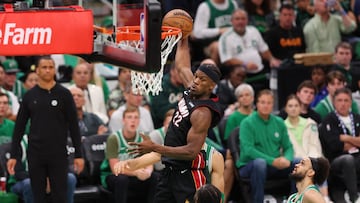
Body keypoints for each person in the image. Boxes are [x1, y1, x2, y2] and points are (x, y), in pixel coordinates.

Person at [127, 37, 223, 203]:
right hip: (170, 171)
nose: (196, 81)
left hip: (189, 174)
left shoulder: (203, 112)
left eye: (202, 80)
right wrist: (183, 38)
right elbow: (182, 66)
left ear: (211, 86)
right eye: (196, 77)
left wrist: (155, 147)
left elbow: (191, 152)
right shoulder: (192, 89)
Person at [7, 56, 84, 203]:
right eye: (44, 67)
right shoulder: (30, 96)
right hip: (36, 154)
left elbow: (74, 126)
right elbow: (19, 128)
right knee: (38, 197)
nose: (48, 70)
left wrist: (79, 155)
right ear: (37, 70)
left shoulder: (64, 94)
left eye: (51, 67)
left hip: (59, 154)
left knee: (60, 196)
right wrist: (13, 155)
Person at [238, 89, 295, 203]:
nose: (266, 106)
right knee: (260, 163)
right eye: (263, 102)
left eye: (269, 103)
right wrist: (272, 161)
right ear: (257, 104)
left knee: (299, 163)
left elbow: (288, 146)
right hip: (249, 165)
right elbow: (248, 150)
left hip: (274, 164)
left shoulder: (279, 122)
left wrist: (287, 159)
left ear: (273, 105)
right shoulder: (247, 123)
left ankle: (294, 199)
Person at [100, 107, 158, 203]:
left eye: (136, 117)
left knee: (155, 177)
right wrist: (135, 172)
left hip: (136, 174)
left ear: (139, 121)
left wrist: (147, 172)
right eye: (129, 117)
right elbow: (115, 168)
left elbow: (149, 160)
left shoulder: (144, 138)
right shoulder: (114, 138)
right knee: (122, 180)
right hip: (113, 175)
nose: (133, 120)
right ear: (123, 120)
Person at [284, 94, 332, 202]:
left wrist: (309, 159)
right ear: (285, 108)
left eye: (296, 105)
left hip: (312, 158)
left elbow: (315, 146)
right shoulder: (293, 197)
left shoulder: (311, 194)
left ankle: (326, 196)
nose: (296, 165)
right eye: (290, 106)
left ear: (310, 172)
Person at [319, 88, 360, 203]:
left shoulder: (357, 118)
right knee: (348, 159)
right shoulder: (328, 119)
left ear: (351, 102)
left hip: (357, 156)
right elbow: (334, 146)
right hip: (337, 160)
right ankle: (354, 198)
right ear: (334, 102)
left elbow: (341, 141)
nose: (343, 104)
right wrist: (356, 140)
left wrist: (345, 138)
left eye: (346, 100)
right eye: (340, 100)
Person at [9, 135, 77, 203]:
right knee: (29, 184)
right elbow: (18, 173)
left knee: (70, 178)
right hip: (22, 181)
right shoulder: (20, 144)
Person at [218, 9, 281, 74]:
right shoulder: (225, 38)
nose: (240, 22)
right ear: (232, 21)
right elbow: (226, 60)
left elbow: (264, 49)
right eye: (237, 19)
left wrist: (272, 59)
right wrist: (245, 64)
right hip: (239, 74)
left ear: (247, 20)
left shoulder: (253, 30)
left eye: (243, 19)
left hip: (260, 69)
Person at [150, 64, 185, 129]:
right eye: (179, 72)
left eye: (183, 73)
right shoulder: (161, 86)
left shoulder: (185, 86)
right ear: (172, 72)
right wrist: (179, 103)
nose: (181, 75)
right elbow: (159, 111)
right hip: (160, 125)